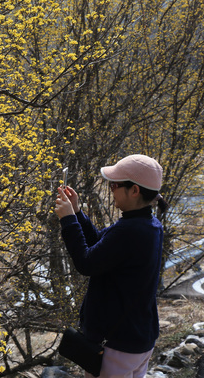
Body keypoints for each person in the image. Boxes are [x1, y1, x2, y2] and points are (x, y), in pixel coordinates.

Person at [54, 154, 168, 378]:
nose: (111, 189)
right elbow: (100, 245)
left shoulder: (130, 230)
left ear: (134, 190)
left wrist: (67, 220)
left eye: (114, 185)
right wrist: (76, 212)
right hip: (138, 338)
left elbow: (86, 263)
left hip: (118, 345)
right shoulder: (149, 224)